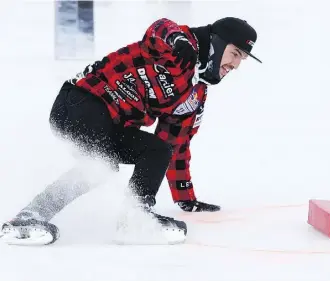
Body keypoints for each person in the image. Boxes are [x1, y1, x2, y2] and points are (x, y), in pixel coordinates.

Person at [0, 17, 261, 245]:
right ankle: (26, 219)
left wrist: (186, 198)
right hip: (80, 101)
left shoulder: (195, 93)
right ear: (216, 43)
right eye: (234, 53)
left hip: (112, 125)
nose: (235, 65)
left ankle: (134, 219)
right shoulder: (183, 46)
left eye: (242, 58)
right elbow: (160, 28)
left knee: (158, 149)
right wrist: (179, 41)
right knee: (101, 164)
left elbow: (177, 143)